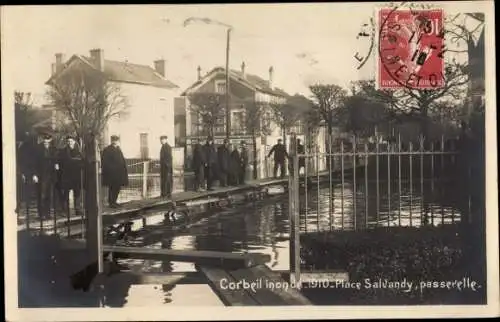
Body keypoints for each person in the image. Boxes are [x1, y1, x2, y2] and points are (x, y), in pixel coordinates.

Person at [32, 133, 59, 219]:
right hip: (42, 175)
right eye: (45, 141)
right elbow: (34, 163)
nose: (46, 143)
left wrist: (56, 164)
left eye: (48, 141)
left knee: (49, 195)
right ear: (43, 141)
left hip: (50, 176)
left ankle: (47, 213)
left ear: (50, 141)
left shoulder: (53, 149)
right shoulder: (38, 149)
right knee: (42, 195)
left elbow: (56, 159)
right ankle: (41, 214)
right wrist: (35, 175)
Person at [58, 135, 84, 215]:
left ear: (74, 142)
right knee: (66, 193)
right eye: (68, 141)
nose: (70, 143)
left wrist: (76, 163)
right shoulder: (63, 151)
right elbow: (60, 162)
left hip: (76, 175)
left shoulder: (78, 151)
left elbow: (82, 162)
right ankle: (64, 210)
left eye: (71, 141)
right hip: (67, 175)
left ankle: (77, 209)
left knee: (77, 192)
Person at [101, 135, 128, 208]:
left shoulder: (118, 149)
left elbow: (122, 160)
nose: (115, 142)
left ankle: (114, 201)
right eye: (114, 140)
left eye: (116, 140)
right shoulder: (107, 150)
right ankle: (111, 202)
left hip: (119, 173)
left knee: (117, 187)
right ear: (111, 141)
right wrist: (112, 169)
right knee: (112, 188)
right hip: (112, 173)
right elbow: (105, 162)